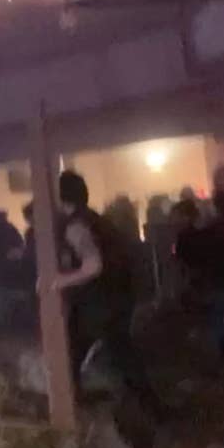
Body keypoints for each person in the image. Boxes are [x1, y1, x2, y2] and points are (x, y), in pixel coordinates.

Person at [52, 170, 160, 416]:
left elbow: (94, 265)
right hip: (117, 297)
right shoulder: (94, 219)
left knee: (75, 350)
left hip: (101, 302)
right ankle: (151, 407)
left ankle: (74, 405)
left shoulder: (76, 226)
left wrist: (61, 281)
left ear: (60, 198)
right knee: (119, 352)